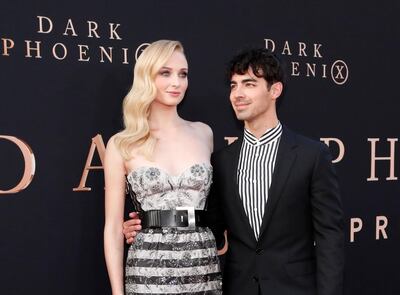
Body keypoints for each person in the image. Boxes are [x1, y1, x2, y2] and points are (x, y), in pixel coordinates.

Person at [123, 48, 344, 295]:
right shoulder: (222, 161)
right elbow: (210, 225)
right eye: (233, 85)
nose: (238, 94)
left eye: (249, 84)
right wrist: (150, 222)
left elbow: (329, 237)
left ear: (275, 90)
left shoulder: (311, 155)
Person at [104, 40, 222, 295]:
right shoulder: (122, 144)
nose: (176, 82)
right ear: (147, 77)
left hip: (202, 268)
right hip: (147, 272)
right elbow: (113, 228)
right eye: (165, 73)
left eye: (183, 74)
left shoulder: (204, 133)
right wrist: (117, 292)